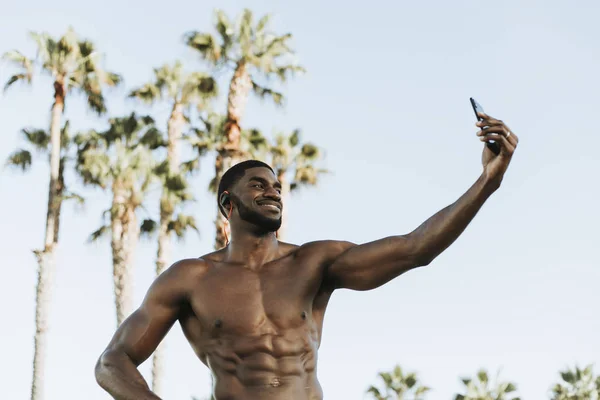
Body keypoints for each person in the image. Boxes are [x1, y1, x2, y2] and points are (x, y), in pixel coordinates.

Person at [95, 112, 519, 400]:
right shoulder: (190, 277)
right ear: (228, 203)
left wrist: (487, 182)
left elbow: (415, 248)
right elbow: (112, 362)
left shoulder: (314, 262)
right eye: (259, 185)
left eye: (277, 187)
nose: (273, 192)